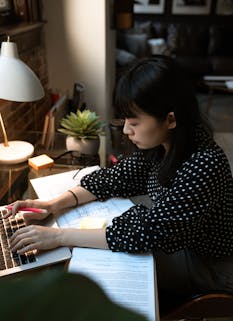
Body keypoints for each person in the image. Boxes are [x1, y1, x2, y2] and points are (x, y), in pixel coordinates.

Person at [8, 56, 233, 298]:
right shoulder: (165, 142)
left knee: (99, 268)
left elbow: (148, 232)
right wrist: (52, 204)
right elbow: (116, 178)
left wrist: (59, 236)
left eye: (134, 122)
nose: (126, 130)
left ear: (170, 119)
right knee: (94, 247)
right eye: (125, 120)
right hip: (182, 239)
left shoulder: (204, 164)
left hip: (209, 264)